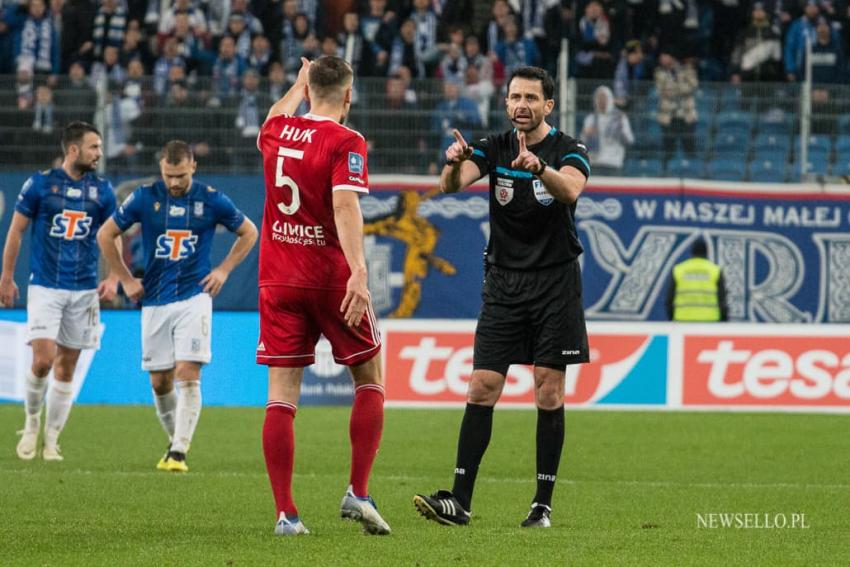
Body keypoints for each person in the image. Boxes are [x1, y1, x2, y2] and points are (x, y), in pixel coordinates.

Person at [413, 66, 591, 529]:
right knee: (481, 386)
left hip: (554, 285)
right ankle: (460, 500)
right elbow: (448, 186)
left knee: (548, 391)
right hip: (505, 285)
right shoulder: (494, 147)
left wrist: (541, 169)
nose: (521, 105)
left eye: (531, 97)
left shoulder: (569, 150)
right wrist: (452, 160)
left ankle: (541, 505)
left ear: (548, 105)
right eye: (514, 96)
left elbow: (571, 189)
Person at [256, 55, 390, 537]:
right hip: (330, 278)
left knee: (281, 397)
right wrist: (359, 270)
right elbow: (344, 204)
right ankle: (357, 490)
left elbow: (273, 116)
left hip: (278, 278)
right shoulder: (346, 140)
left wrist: (296, 87)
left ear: (308, 89)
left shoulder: (276, 132)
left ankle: (287, 515)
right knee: (370, 378)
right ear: (349, 95)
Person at [96, 140, 258, 472]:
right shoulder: (144, 197)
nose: (174, 182)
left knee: (188, 372)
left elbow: (249, 232)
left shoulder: (211, 199)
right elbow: (105, 234)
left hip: (194, 296)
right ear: (161, 169)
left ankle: (179, 452)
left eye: (181, 175)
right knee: (159, 382)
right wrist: (125, 279)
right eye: (169, 175)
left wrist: (224, 270)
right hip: (154, 298)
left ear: (193, 167)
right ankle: (175, 443)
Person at [1, 121, 118, 461]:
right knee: (43, 361)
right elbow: (16, 232)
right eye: (93, 147)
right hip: (46, 287)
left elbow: (114, 234)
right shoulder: (40, 185)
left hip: (84, 291)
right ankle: (32, 424)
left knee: (66, 368)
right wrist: (7, 276)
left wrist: (112, 277)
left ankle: (52, 439)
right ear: (73, 150)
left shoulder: (102, 191)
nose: (99, 153)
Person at [666, 239, 728, 322]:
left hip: (683, 320)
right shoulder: (715, 271)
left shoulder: (679, 270)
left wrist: (672, 318)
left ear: (692, 252)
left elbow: (669, 300)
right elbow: (722, 300)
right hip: (709, 321)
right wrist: (724, 320)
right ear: (707, 252)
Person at [581, 85, 634, 175]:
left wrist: (621, 130)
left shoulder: (620, 118)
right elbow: (582, 143)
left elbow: (629, 140)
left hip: (613, 163)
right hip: (595, 163)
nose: (601, 101)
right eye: (599, 98)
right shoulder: (590, 119)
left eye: (604, 98)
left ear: (609, 99)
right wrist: (586, 134)